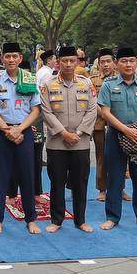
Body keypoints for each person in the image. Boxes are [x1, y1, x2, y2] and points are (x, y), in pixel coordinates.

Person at [97, 47, 137, 231]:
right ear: (117, 64)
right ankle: (112, 217)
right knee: (114, 178)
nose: (128, 64)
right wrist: (125, 129)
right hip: (116, 136)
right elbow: (105, 112)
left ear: (136, 62)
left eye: (132, 60)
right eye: (124, 61)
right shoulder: (108, 85)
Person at [38, 44, 96, 232]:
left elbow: (92, 110)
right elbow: (46, 112)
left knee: (80, 182)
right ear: (58, 63)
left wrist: (77, 134)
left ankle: (81, 219)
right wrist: (63, 133)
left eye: (72, 60)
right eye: (65, 61)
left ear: (78, 62)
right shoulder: (48, 85)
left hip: (80, 143)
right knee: (57, 182)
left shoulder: (86, 84)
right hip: (57, 143)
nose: (69, 64)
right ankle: (56, 219)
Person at [0, 42, 41, 234]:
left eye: (14, 56)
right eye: (7, 56)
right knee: (0, 177)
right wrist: (7, 130)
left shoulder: (29, 79)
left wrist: (19, 130)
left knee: (27, 176)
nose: (10, 60)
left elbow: (36, 110)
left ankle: (31, 219)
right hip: (2, 133)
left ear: (19, 58)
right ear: (2, 59)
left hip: (24, 132)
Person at [90, 48, 116, 200]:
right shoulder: (93, 80)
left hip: (118, 124)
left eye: (108, 61)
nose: (106, 65)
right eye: (102, 62)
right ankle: (102, 189)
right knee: (102, 156)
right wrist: (105, 114)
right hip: (100, 124)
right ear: (98, 64)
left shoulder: (121, 78)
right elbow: (92, 101)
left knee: (119, 157)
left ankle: (119, 188)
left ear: (114, 63)